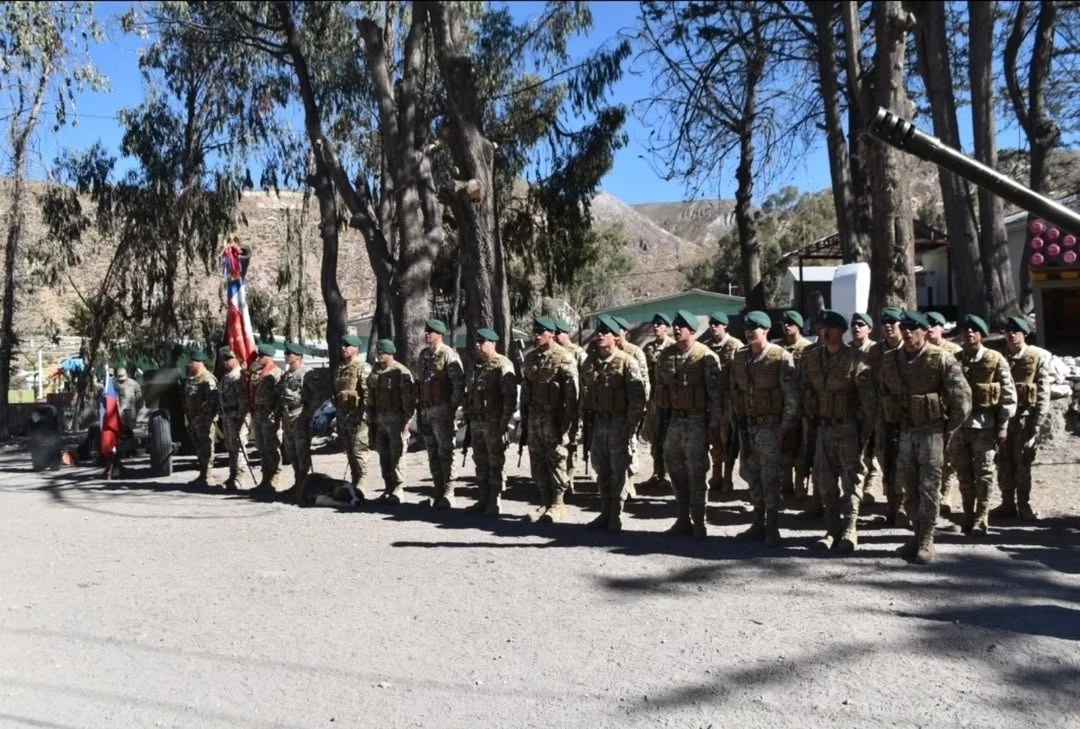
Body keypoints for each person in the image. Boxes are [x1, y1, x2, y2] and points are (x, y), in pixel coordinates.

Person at [879, 311, 971, 564]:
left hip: (931, 432)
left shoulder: (941, 358)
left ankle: (926, 540)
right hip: (904, 432)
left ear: (924, 331)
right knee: (909, 488)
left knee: (929, 489)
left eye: (914, 328)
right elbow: (883, 394)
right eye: (904, 328)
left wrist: (946, 431)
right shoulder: (890, 360)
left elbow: (961, 401)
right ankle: (916, 534)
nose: (908, 333)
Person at [800, 310, 875, 552]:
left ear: (841, 332)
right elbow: (805, 391)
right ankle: (831, 530)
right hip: (823, 429)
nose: (824, 332)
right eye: (821, 328)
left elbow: (867, 401)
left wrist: (864, 433)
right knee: (825, 483)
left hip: (848, 429)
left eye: (829, 328)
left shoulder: (856, 359)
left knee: (851, 482)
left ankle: (850, 530)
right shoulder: (811, 359)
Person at [732, 311, 800, 547]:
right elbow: (735, 392)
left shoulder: (780, 357)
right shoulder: (740, 357)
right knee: (752, 476)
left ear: (766, 330)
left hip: (771, 428)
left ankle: (772, 528)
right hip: (748, 427)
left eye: (755, 328)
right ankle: (758, 522)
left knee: (771, 478)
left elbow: (792, 398)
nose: (750, 332)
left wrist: (784, 427)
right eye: (747, 328)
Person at [654, 310, 723, 539]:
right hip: (675, 419)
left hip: (697, 421)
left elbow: (716, 396)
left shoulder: (705, 356)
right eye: (674, 326)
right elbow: (659, 389)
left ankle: (700, 522)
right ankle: (683, 518)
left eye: (680, 326)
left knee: (697, 471)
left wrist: (714, 427)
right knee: (674, 468)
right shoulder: (666, 355)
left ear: (691, 330)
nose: (675, 330)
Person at [580, 315, 647, 532]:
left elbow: (638, 398)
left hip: (619, 424)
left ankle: (615, 515)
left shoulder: (628, 361)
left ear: (614, 337)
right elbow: (585, 391)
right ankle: (604, 511)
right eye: (598, 332)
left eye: (605, 332)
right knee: (601, 468)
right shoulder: (590, 363)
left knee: (618, 471)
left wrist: (631, 426)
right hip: (598, 423)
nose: (600, 336)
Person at [951, 314, 1017, 535]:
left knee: (984, 472)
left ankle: (981, 517)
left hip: (985, 427)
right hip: (959, 428)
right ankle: (968, 515)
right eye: (966, 330)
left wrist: (1003, 425)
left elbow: (1008, 395)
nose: (969, 334)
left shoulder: (995, 359)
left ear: (982, 334)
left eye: (974, 330)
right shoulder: (955, 359)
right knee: (963, 473)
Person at [520, 316, 578, 522]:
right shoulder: (530, 358)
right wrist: (525, 416)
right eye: (534, 332)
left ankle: (558, 503)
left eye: (540, 332)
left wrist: (568, 422)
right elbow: (525, 391)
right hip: (535, 417)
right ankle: (544, 502)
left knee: (557, 459)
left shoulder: (564, 357)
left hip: (555, 417)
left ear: (552, 333)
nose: (536, 336)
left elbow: (573, 395)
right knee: (537, 459)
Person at [994, 316, 1051, 521]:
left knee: (1023, 460)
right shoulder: (999, 357)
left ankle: (1024, 504)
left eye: (1015, 332)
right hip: (1003, 418)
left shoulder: (1036, 356)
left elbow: (1044, 389)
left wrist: (1039, 419)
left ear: (1024, 334)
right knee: (1003, 461)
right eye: (1008, 332)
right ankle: (1007, 503)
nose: (1011, 335)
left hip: (1025, 417)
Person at [464, 327, 519, 515]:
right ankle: (483, 498)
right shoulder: (477, 366)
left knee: (495, 462)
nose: (478, 346)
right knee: (480, 460)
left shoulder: (502, 364)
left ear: (492, 344)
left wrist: (504, 423)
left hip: (494, 422)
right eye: (477, 342)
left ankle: (494, 501)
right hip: (477, 421)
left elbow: (509, 398)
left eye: (482, 342)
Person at [415, 318, 466, 509]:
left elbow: (458, 384)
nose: (427, 334)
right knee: (432, 452)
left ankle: (449, 492)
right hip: (427, 410)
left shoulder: (448, 355)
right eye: (426, 331)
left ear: (440, 334)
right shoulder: (423, 355)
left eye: (431, 331)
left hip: (443, 410)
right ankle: (437, 490)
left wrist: (452, 408)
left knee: (446, 452)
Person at [365, 338, 415, 504]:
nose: (379, 356)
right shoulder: (375, 372)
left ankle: (398, 489)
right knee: (383, 455)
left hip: (396, 419)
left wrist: (406, 423)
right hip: (380, 419)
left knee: (397, 455)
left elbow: (409, 401)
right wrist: (370, 417)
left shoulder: (401, 372)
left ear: (390, 353)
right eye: (378, 352)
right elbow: (371, 395)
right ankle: (388, 488)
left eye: (382, 353)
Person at [867, 307, 906, 525]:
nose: (888, 326)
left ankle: (902, 508)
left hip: (905, 418)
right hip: (882, 418)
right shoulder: (875, 352)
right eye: (885, 322)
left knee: (903, 464)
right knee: (886, 462)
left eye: (893, 322)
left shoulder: (909, 350)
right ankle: (891, 506)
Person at [926, 311, 962, 517]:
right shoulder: (922, 350)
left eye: (934, 324)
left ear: (943, 328)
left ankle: (945, 494)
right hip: (928, 412)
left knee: (947, 457)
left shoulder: (953, 351)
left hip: (947, 411)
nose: (930, 328)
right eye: (927, 324)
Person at [704, 312, 742, 500]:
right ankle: (716, 476)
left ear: (725, 326)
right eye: (711, 323)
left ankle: (728, 477)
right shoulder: (707, 347)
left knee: (728, 440)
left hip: (729, 400)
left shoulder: (735, 346)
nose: (713, 327)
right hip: (712, 401)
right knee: (714, 439)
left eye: (717, 324)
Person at [278, 342, 321, 501]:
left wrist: (308, 414)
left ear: (299, 356)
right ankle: (298, 482)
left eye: (289, 354)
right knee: (291, 451)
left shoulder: (307, 373)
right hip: (288, 416)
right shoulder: (287, 374)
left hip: (300, 415)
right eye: (286, 353)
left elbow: (316, 397)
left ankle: (304, 484)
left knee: (302, 451)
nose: (286, 356)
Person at [612, 315, 649, 486]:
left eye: (617, 329)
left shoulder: (634, 352)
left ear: (625, 332)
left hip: (629, 409)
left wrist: (640, 409)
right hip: (612, 409)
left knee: (630, 444)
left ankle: (630, 481)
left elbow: (643, 383)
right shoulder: (602, 351)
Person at [778, 310, 812, 498]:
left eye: (790, 323)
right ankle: (786, 484)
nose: (786, 326)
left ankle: (800, 485)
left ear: (799, 326)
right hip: (784, 406)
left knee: (802, 447)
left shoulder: (808, 348)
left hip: (804, 405)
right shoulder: (778, 348)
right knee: (784, 446)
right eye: (784, 323)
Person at [640, 313, 675, 491]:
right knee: (654, 436)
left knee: (667, 438)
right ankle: (656, 472)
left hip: (669, 400)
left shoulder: (673, 347)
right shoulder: (648, 348)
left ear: (666, 327)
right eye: (654, 324)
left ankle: (668, 474)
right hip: (654, 399)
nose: (655, 327)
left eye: (659, 324)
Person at [848, 312, 878, 505]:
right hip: (851, 411)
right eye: (853, 325)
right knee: (854, 452)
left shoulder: (877, 351)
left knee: (872, 452)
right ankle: (855, 490)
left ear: (869, 329)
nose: (856, 328)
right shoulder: (846, 351)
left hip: (873, 410)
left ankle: (869, 487)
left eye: (861, 324)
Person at [335, 333, 370, 494]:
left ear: (356, 348)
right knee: (349, 450)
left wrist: (364, 415)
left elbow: (368, 394)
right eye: (343, 345)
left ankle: (362, 481)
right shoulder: (341, 368)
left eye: (347, 346)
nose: (343, 348)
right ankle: (354, 479)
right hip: (344, 416)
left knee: (359, 451)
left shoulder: (363, 367)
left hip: (358, 417)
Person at [554, 319, 586, 486]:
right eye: (555, 332)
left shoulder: (578, 353)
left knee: (571, 442)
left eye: (559, 332)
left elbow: (584, 380)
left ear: (567, 334)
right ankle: (560, 478)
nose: (556, 336)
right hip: (556, 405)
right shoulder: (553, 353)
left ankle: (570, 477)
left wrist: (581, 406)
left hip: (574, 404)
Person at [251, 343, 282, 498]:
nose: (259, 358)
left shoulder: (276, 372)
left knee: (271, 448)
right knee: (262, 448)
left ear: (269, 356)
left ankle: (274, 479)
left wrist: (278, 416)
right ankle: (265, 479)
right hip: (258, 414)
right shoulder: (258, 373)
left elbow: (279, 397)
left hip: (270, 414)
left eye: (262, 356)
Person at [183, 351, 219, 487]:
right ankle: (202, 474)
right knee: (199, 448)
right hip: (193, 420)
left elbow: (213, 402)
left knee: (207, 448)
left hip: (204, 421)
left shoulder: (208, 379)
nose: (190, 365)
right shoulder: (191, 379)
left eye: (192, 362)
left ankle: (208, 475)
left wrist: (206, 418)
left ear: (199, 363)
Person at [218, 348, 248, 491]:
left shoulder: (238, 377)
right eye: (224, 359)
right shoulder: (226, 377)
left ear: (236, 359)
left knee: (239, 447)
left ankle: (240, 477)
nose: (225, 362)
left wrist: (240, 418)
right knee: (231, 448)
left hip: (237, 417)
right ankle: (232, 475)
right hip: (227, 416)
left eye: (228, 359)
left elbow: (243, 401)